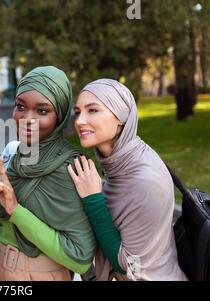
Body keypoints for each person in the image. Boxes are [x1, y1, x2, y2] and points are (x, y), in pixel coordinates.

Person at [0, 66, 96, 281]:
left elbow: (80, 257)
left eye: (42, 111)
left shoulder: (71, 168)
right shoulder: (12, 154)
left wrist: (17, 212)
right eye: (20, 106)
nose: (27, 119)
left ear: (59, 115)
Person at [67, 78, 187, 281]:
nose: (79, 121)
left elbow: (127, 265)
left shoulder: (145, 180)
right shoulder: (121, 162)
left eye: (93, 110)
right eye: (78, 112)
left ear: (120, 117)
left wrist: (93, 200)